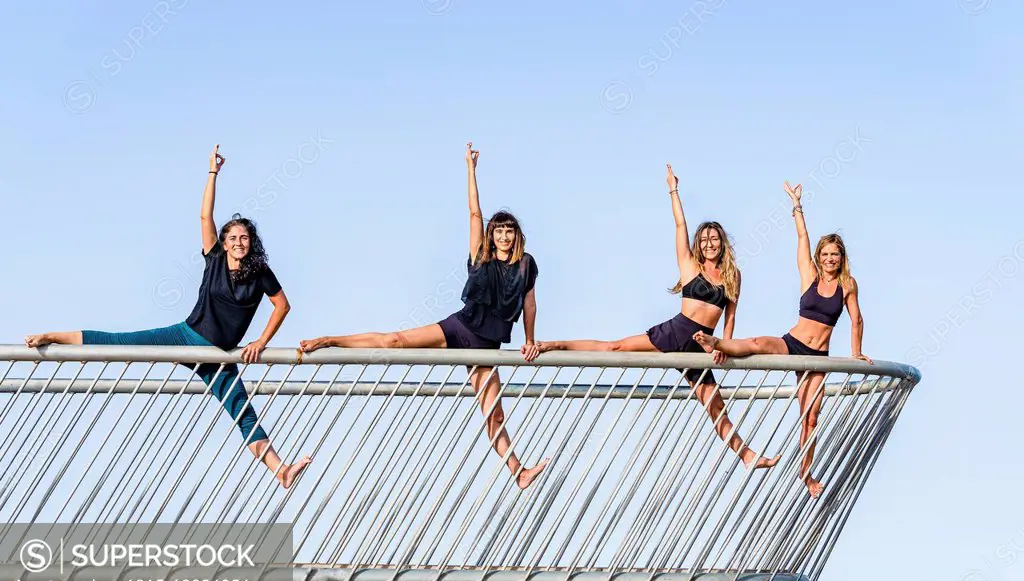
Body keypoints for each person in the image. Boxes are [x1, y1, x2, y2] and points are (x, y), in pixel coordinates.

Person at [25, 145, 310, 489]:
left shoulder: (260, 271)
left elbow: (282, 306)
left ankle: (281, 471)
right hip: (186, 337)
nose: (238, 242)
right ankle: (54, 336)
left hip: (219, 357)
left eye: (244, 237)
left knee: (241, 410)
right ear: (224, 241)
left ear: (252, 242)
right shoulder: (215, 258)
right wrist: (213, 173)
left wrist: (261, 342)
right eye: (232, 237)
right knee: (120, 343)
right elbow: (205, 218)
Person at [299, 143, 549, 490]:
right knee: (394, 341)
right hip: (460, 327)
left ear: (517, 236)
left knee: (494, 412)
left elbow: (530, 305)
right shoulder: (481, 254)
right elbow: (474, 214)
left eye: (509, 231)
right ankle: (329, 339)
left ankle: (518, 473)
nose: (504, 235)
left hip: (487, 345)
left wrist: (530, 342)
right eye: (499, 230)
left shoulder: (527, 264)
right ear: (492, 235)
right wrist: (471, 170)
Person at [537, 164, 777, 471]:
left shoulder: (733, 276)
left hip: (702, 346)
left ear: (722, 242)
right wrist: (673, 190)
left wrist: (723, 346)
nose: (709, 244)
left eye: (714, 239)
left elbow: (730, 318)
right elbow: (680, 226)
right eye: (704, 239)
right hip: (676, 332)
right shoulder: (690, 266)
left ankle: (747, 457)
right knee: (615, 348)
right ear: (698, 244)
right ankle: (556, 344)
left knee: (715, 405)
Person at [693, 181, 871, 499]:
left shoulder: (848, 284)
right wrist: (797, 206)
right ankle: (715, 343)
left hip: (818, 357)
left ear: (842, 257)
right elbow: (802, 238)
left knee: (811, 416)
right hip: (794, 343)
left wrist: (856, 353)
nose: (830, 259)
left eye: (835, 254)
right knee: (758, 343)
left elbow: (857, 319)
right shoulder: (810, 275)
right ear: (819, 256)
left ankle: (806, 474)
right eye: (826, 254)